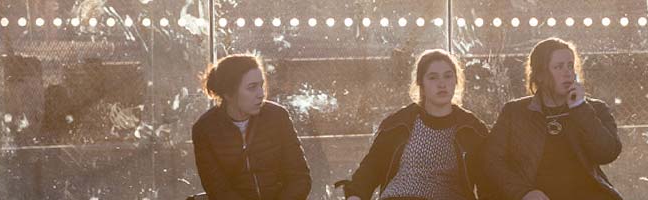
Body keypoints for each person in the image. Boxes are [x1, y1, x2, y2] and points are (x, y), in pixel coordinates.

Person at [339, 50, 490, 200]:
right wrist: (355, 195)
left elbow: (488, 180)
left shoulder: (472, 129)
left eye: (448, 76)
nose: (442, 84)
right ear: (421, 83)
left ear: (456, 81)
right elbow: (371, 168)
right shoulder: (398, 124)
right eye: (433, 77)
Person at [483, 38, 624, 200]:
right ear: (540, 74)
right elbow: (492, 161)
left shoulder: (594, 109)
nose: (568, 72)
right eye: (558, 67)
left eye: (570, 65)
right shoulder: (515, 112)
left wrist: (580, 108)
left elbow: (607, 153)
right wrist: (522, 192)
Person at [190, 55, 311, 200]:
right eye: (252, 87)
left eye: (261, 85)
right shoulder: (205, 129)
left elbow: (300, 178)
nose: (261, 94)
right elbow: (217, 189)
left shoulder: (277, 117)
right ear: (228, 93)